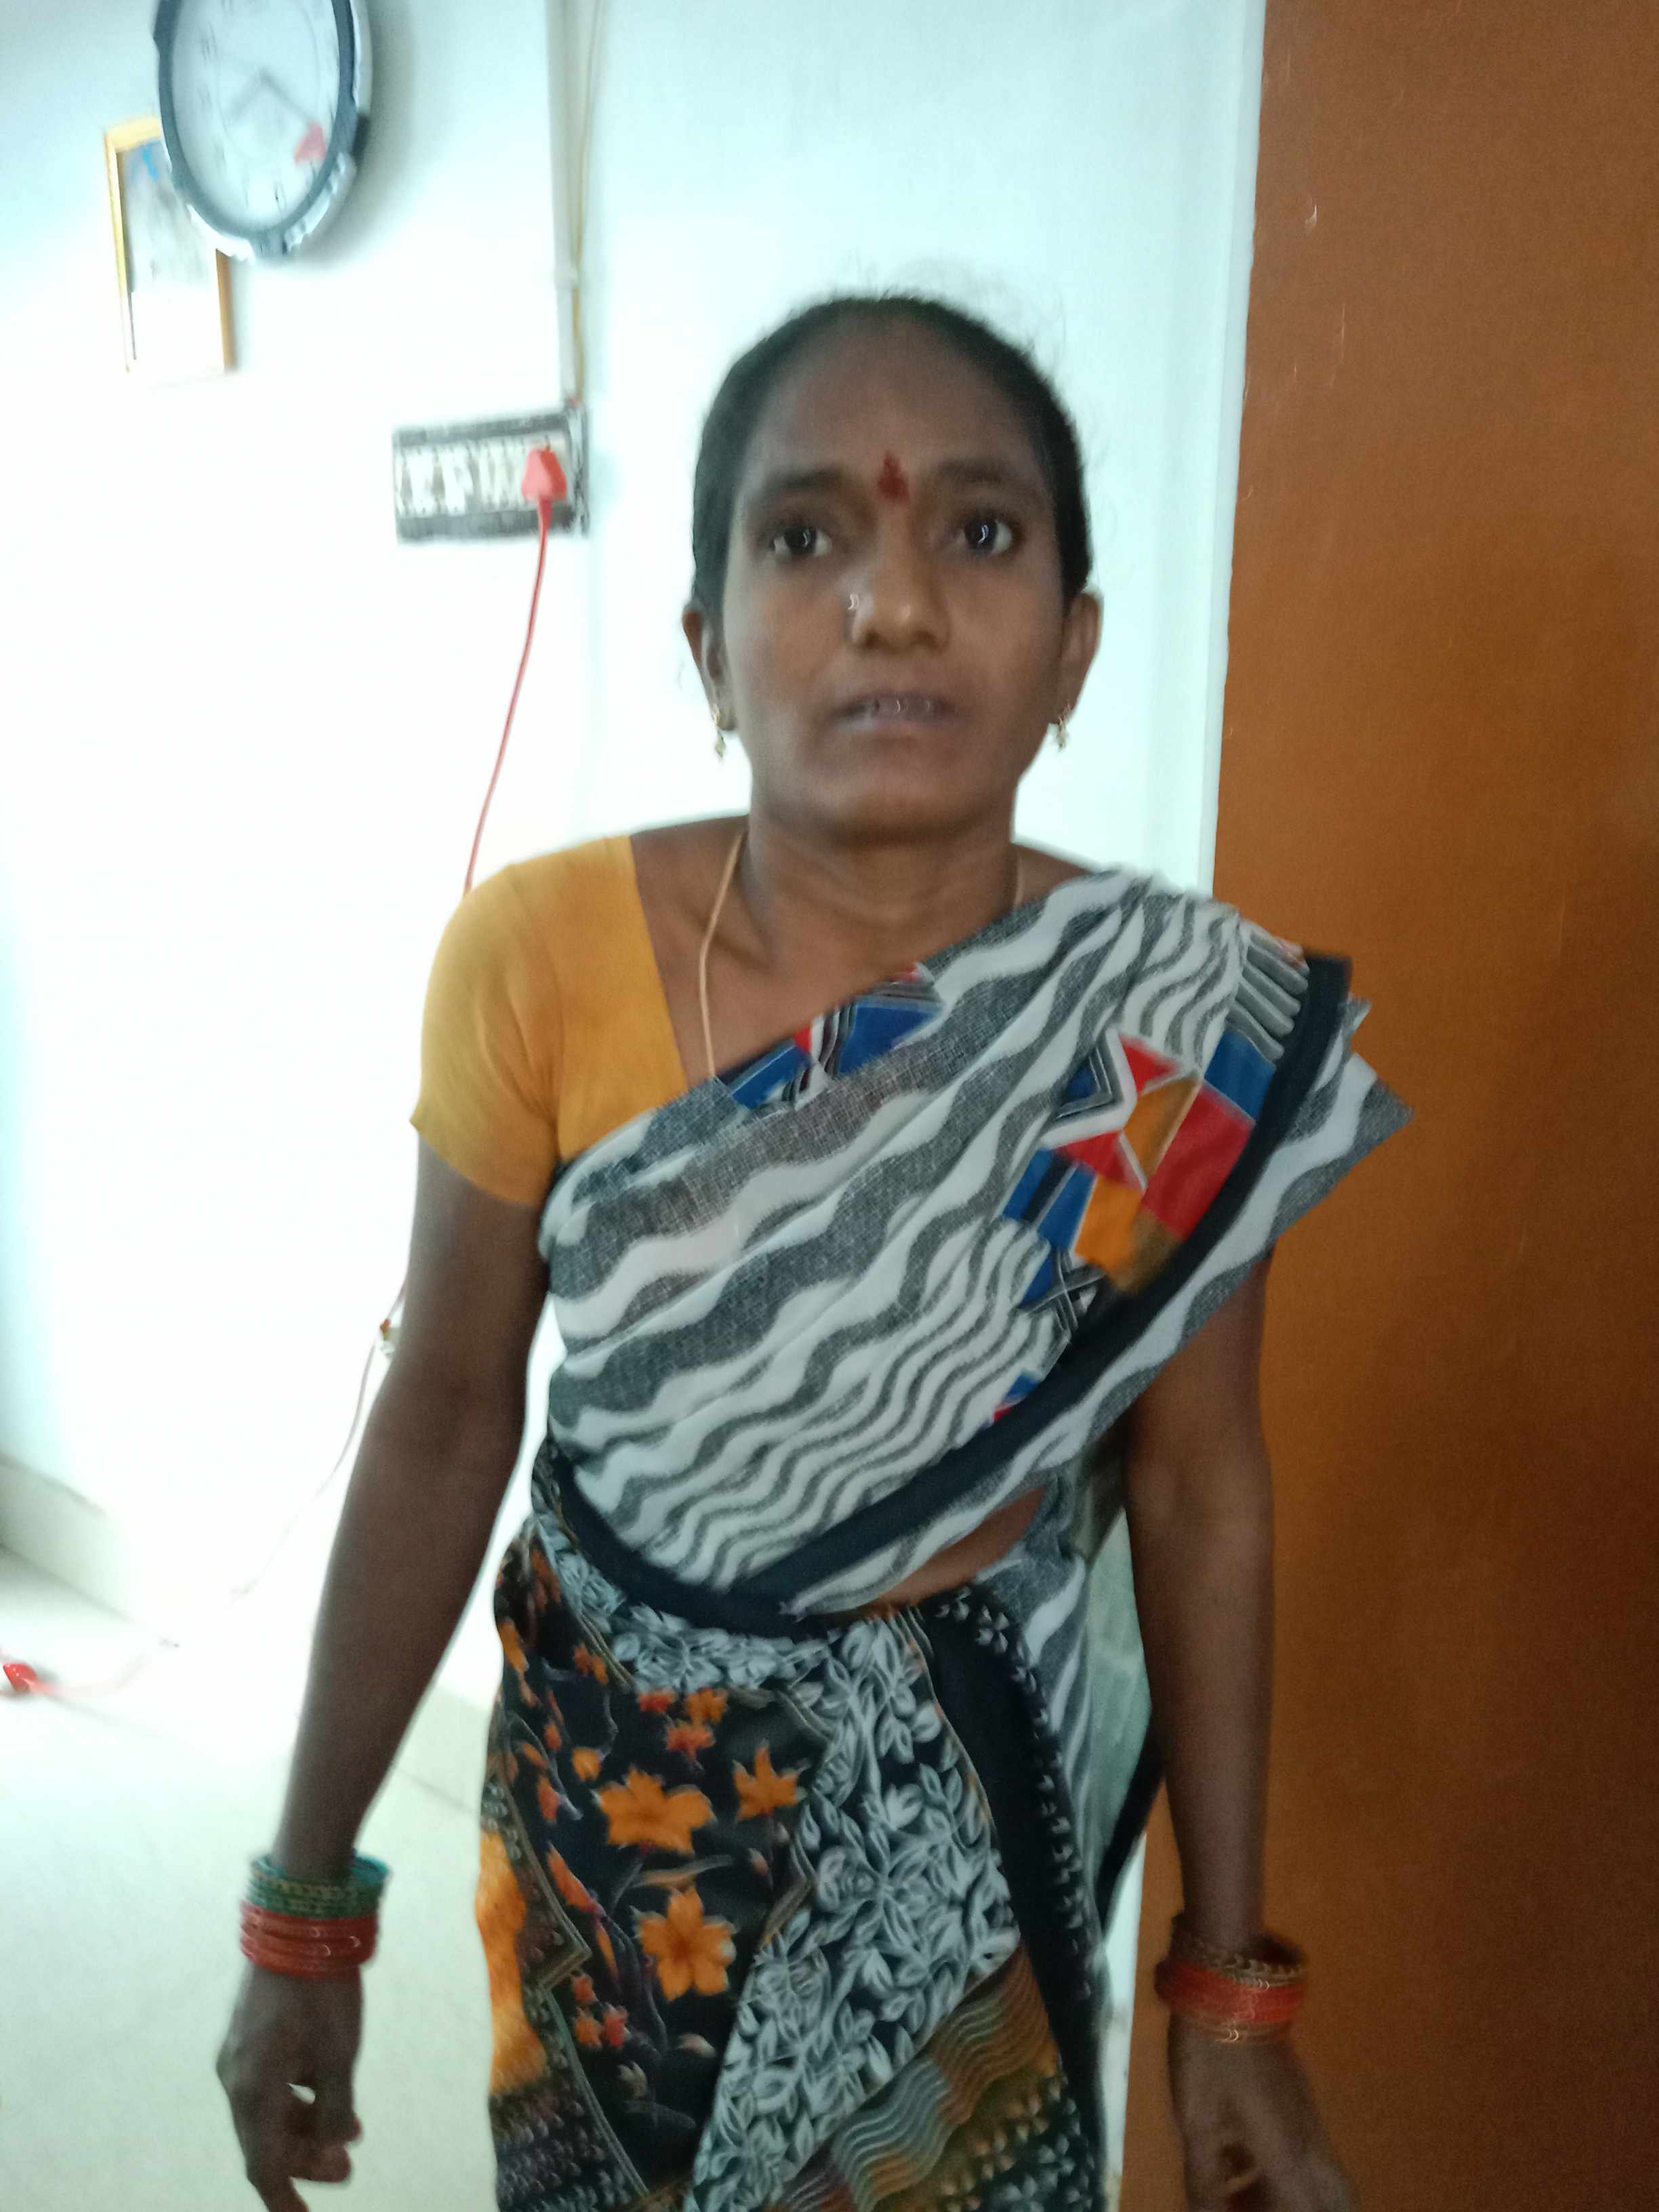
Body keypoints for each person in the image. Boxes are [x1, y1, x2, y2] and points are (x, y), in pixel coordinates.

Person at [216, 294, 1406, 2211]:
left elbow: (1200, 1491)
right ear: (707, 643)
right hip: (622, 1841)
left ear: (1076, 645)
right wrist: (304, 1905)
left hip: (965, 1856)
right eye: (806, 537)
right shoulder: (538, 961)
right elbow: (441, 1421)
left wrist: (1230, 1995)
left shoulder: (1168, 1033)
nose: (896, 606)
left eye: (982, 533)